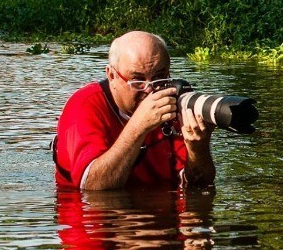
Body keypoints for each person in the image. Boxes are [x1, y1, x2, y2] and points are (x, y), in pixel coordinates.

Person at [53, 30, 215, 189]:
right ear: (112, 76)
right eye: (137, 80)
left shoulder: (171, 103)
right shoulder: (85, 105)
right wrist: (139, 125)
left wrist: (198, 150)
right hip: (97, 213)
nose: (149, 90)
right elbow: (92, 186)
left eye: (159, 77)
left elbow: (198, 184)